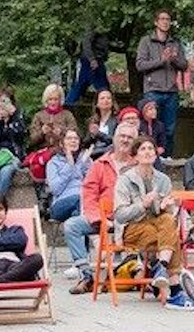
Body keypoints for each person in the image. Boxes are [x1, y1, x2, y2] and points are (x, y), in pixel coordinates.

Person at [64, 123, 135, 295]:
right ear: (114, 138)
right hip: (103, 218)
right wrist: (100, 218)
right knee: (71, 226)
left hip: (131, 220)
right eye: (122, 136)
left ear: (134, 141)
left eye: (129, 137)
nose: (125, 140)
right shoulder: (100, 164)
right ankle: (86, 276)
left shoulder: (139, 165)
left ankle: (143, 273)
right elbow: (89, 194)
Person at [113, 138, 183, 303]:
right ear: (135, 156)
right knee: (170, 237)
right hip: (132, 228)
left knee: (167, 220)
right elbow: (120, 215)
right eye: (143, 149)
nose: (147, 152)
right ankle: (175, 289)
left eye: (150, 148)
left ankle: (161, 267)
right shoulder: (125, 179)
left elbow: (166, 213)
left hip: (157, 224)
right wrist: (142, 204)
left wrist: (167, 206)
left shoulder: (163, 179)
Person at [135, 10, 186, 145]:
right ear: (156, 22)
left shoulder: (175, 42)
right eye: (162, 19)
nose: (165, 22)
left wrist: (174, 60)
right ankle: (150, 157)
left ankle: (167, 159)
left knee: (170, 129)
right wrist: (162, 60)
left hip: (171, 91)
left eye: (168, 19)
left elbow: (184, 65)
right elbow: (140, 65)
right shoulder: (146, 41)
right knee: (150, 127)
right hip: (153, 90)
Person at [28, 84, 77, 154]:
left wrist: (62, 131)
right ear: (46, 100)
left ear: (60, 100)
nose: (53, 103)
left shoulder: (67, 115)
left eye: (56, 99)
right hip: (42, 152)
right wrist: (42, 132)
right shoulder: (38, 116)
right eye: (50, 99)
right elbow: (32, 140)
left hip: (63, 152)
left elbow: (75, 134)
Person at [67, 31, 111, 106]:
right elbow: (86, 42)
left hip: (96, 59)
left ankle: (69, 104)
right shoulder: (94, 25)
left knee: (82, 85)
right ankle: (68, 105)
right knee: (100, 86)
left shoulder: (103, 27)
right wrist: (92, 59)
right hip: (90, 61)